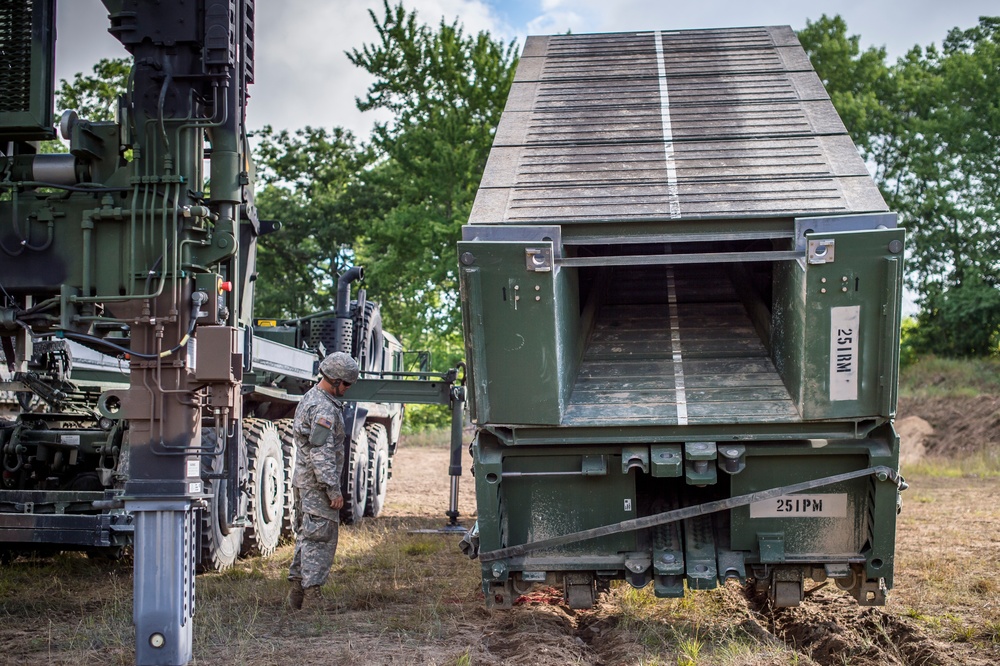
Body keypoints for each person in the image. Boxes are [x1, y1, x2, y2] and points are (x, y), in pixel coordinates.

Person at [287, 351, 359, 610]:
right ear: (336, 380)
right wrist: (332, 489)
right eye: (348, 384)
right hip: (316, 485)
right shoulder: (323, 407)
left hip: (305, 481)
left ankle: (297, 593)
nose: (349, 389)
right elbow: (321, 452)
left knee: (307, 536)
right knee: (320, 539)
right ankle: (313, 598)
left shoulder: (311, 398)